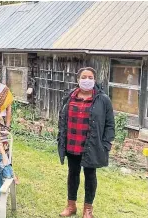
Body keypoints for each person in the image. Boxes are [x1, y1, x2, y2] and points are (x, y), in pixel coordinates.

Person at [57, 67, 115, 218]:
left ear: (95, 80)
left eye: (90, 77)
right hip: (72, 144)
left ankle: (87, 209)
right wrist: (61, 137)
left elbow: (110, 124)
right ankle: (71, 206)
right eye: (84, 77)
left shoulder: (103, 99)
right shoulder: (69, 96)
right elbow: (62, 118)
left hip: (92, 145)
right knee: (73, 174)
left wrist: (106, 144)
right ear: (78, 79)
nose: (87, 80)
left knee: (90, 176)